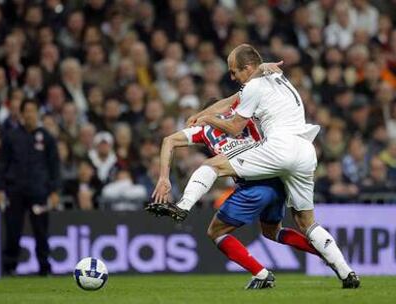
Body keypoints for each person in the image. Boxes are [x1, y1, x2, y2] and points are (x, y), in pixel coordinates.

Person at [154, 44, 359, 288]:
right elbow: (232, 99)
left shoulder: (250, 89)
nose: (233, 78)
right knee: (305, 223)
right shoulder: (276, 77)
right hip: (304, 150)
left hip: (276, 152)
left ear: (248, 68)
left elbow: (233, 126)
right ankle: (345, 270)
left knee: (213, 168)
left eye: (234, 72)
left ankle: (183, 206)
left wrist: (206, 118)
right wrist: (261, 67)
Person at [147, 94, 322, 289]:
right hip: (277, 182)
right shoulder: (245, 115)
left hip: (252, 186)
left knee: (216, 231)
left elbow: (168, 140)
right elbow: (241, 95)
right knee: (273, 231)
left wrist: (164, 177)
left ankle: (262, 274)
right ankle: (325, 251)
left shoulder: (204, 130)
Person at [0, 99, 60, 276]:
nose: (30, 114)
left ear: (38, 113)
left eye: (33, 110)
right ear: (22, 114)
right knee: (13, 230)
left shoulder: (46, 137)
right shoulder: (11, 137)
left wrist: (55, 190)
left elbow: (54, 166)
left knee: (41, 231)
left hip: (39, 191)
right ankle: (9, 267)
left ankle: (44, 268)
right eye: (27, 111)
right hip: (14, 190)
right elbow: (1, 165)